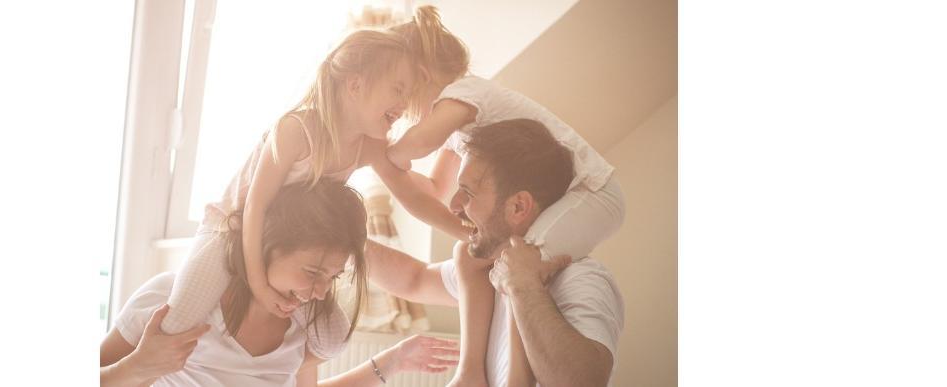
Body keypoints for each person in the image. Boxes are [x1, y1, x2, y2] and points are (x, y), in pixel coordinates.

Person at [160, 26, 472, 361]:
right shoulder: (296, 130)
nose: (404, 104)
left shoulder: (369, 145)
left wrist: (473, 235)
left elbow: (417, 199)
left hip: (289, 247)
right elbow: (254, 208)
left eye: (408, 94)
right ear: (355, 85)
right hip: (232, 228)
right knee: (178, 321)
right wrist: (259, 285)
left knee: (333, 341)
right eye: (398, 90)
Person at [366, 6, 628, 386]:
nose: (403, 111)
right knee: (468, 256)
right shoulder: (461, 132)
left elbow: (419, 143)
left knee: (519, 264)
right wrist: (380, 167)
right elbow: (435, 196)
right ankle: (470, 371)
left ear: (421, 77)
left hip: (595, 192)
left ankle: (516, 379)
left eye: (401, 96)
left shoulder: (466, 91)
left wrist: (385, 151)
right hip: (563, 196)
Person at [101, 180, 460, 386]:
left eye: (333, 277)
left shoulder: (305, 325)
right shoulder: (171, 302)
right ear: (265, 247)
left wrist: (394, 360)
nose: (320, 292)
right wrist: (137, 367)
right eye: (311, 272)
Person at [368, 119, 625, 387]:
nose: (454, 205)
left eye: (466, 192)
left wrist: (524, 286)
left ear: (517, 207)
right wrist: (344, 241)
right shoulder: (484, 273)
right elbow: (414, 279)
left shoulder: (582, 280)